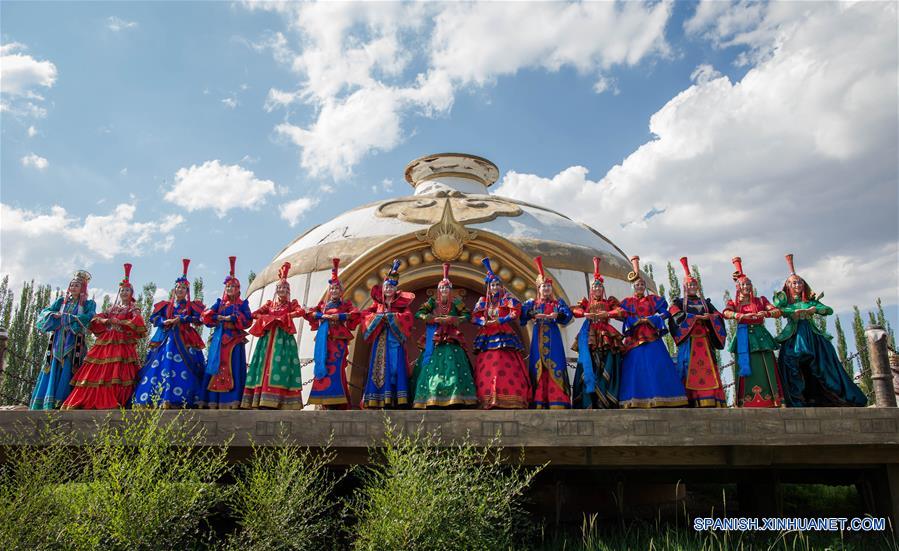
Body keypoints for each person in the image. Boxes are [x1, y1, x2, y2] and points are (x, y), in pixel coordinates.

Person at [774, 254, 866, 407]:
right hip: (793, 337)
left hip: (813, 337)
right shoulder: (787, 305)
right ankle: (797, 398)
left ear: (803, 285)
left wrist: (814, 309)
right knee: (789, 361)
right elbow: (778, 312)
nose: (797, 285)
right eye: (793, 283)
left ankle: (830, 394)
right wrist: (792, 313)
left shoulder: (810, 301)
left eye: (799, 282)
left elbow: (828, 310)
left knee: (823, 362)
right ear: (788, 287)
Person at [62, 264, 146, 409]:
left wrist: (121, 322)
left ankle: (115, 399)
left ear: (131, 293)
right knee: (97, 370)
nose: (124, 292)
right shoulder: (112, 308)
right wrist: (107, 321)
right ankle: (89, 400)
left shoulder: (133, 308)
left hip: (122, 343)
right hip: (106, 341)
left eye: (127, 290)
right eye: (122, 290)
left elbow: (138, 321)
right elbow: (96, 318)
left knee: (118, 371)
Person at [133, 259, 206, 408]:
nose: (180, 290)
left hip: (185, 339)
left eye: (183, 288)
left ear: (187, 292)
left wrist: (183, 319)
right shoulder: (165, 305)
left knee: (185, 367)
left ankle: (184, 398)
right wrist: (163, 322)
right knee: (161, 365)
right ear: (174, 290)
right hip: (166, 339)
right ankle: (155, 398)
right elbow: (153, 318)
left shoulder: (191, 306)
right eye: (178, 287)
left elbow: (199, 319)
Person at [618, 256, 688, 408]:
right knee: (635, 369)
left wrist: (652, 319)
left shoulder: (652, 300)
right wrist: (636, 321)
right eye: (637, 284)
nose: (640, 287)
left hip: (652, 337)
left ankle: (663, 397)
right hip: (635, 339)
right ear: (633, 286)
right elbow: (622, 316)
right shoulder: (627, 302)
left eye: (642, 284)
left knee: (657, 366)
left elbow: (666, 313)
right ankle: (635, 399)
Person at [411, 263, 477, 409]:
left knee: (453, 364)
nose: (444, 290)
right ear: (438, 290)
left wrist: (452, 320)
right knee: (430, 366)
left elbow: (467, 314)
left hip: (452, 337)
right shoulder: (432, 302)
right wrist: (433, 319)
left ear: (450, 290)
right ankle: (429, 397)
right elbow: (418, 313)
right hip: (434, 337)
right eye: (441, 288)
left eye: (446, 288)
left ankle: (457, 397)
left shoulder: (456, 302)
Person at [30, 270, 97, 410]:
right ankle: (47, 402)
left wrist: (69, 318)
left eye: (77, 285)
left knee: (70, 366)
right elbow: (44, 313)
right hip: (57, 340)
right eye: (71, 285)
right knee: (52, 366)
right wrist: (53, 315)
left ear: (83, 288)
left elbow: (90, 317)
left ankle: (66, 401)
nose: (73, 287)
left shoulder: (88, 304)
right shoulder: (61, 301)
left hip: (74, 341)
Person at [723, 257, 785, 408]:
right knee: (746, 368)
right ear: (738, 287)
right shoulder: (734, 303)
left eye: (749, 284)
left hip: (760, 336)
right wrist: (740, 315)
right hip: (743, 336)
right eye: (744, 284)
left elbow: (777, 311)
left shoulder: (760, 300)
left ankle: (773, 399)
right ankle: (745, 401)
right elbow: (725, 313)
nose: (747, 286)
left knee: (766, 365)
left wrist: (765, 314)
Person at [243, 262, 305, 409]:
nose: (281, 290)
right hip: (267, 339)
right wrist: (267, 319)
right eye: (279, 288)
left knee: (280, 366)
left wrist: (286, 316)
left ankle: (280, 400)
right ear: (276, 290)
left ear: (288, 290)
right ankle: (260, 398)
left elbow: (301, 311)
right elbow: (254, 314)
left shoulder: (290, 305)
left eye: (284, 288)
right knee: (263, 365)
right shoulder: (269, 305)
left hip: (283, 340)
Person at [471, 257, 531, 409]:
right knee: (488, 367)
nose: (495, 287)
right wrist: (483, 322)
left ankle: (510, 397)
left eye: (498, 284)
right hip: (487, 334)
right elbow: (473, 317)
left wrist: (501, 320)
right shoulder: (483, 301)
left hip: (503, 333)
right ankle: (486, 397)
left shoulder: (506, 299)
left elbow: (516, 311)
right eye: (493, 285)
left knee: (503, 365)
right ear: (489, 287)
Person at [668, 257, 728, 408]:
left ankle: (711, 399)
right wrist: (694, 318)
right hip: (690, 343)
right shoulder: (679, 303)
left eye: (694, 284)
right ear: (684, 287)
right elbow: (675, 314)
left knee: (708, 371)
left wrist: (710, 318)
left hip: (705, 344)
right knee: (688, 370)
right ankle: (690, 399)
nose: (692, 287)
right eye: (689, 285)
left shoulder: (706, 303)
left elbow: (718, 315)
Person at [196, 256, 252, 409]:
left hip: (234, 342)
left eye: (233, 287)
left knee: (233, 368)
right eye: (228, 287)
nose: (230, 289)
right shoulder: (219, 303)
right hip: (219, 342)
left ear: (238, 289)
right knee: (215, 367)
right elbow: (205, 316)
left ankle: (232, 401)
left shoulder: (242, 304)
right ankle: (212, 401)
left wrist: (234, 317)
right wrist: (218, 317)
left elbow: (248, 320)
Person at [306, 258, 361, 409]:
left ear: (341, 291)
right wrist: (321, 316)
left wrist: (340, 316)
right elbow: (310, 314)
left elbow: (355, 314)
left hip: (338, 341)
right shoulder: (323, 306)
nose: (334, 291)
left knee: (336, 368)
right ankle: (323, 399)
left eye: (337, 289)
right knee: (323, 364)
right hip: (325, 341)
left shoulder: (345, 305)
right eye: (332, 289)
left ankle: (338, 399)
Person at [570, 257, 625, 409]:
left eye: (600, 287)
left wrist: (607, 314)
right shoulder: (586, 302)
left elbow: (621, 311)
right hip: (589, 336)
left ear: (603, 289)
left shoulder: (609, 302)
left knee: (607, 362)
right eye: (594, 287)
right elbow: (573, 310)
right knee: (590, 365)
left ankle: (605, 397)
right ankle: (590, 399)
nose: (597, 289)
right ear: (591, 289)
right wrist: (584, 314)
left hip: (606, 335)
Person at [360, 259, 415, 408]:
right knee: (380, 369)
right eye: (386, 286)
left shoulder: (401, 305)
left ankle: (397, 399)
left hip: (395, 342)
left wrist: (391, 317)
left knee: (396, 368)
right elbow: (365, 315)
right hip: (381, 342)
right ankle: (378, 399)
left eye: (391, 286)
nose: (389, 289)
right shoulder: (377, 304)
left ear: (395, 288)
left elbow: (408, 318)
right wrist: (378, 317)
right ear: (382, 288)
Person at [521, 256, 573, 409]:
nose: (547, 289)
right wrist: (532, 314)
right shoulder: (532, 303)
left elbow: (568, 315)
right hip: (538, 336)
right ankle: (538, 402)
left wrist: (558, 315)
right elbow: (522, 315)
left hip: (553, 336)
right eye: (544, 286)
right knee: (538, 366)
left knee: (556, 364)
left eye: (549, 286)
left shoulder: (558, 303)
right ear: (539, 289)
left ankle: (558, 402)